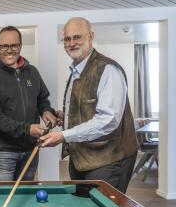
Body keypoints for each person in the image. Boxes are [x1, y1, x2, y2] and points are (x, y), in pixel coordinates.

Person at [39, 17, 139, 193]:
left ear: (90, 37)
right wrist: (67, 117)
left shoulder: (107, 69)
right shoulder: (75, 70)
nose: (72, 43)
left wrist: (63, 135)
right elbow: (86, 107)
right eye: (67, 39)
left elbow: (108, 120)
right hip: (80, 160)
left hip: (108, 161)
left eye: (77, 37)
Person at [0, 26, 58, 181]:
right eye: (4, 46)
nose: (9, 50)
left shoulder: (32, 72)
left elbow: (42, 99)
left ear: (20, 46)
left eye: (14, 45)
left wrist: (47, 111)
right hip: (2, 151)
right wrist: (27, 129)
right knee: (4, 198)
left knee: (23, 198)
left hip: (30, 150)